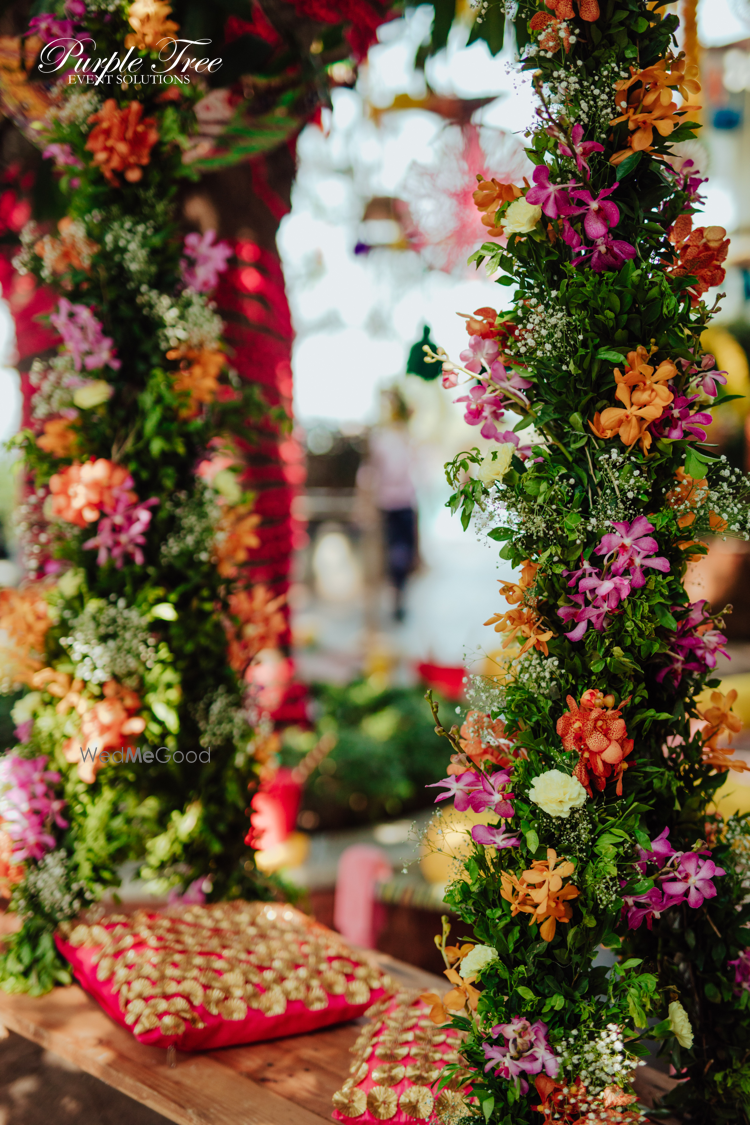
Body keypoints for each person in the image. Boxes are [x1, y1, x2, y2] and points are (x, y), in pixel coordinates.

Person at [367, 388, 418, 621]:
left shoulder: (403, 437)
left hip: (402, 503)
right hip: (390, 504)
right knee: (393, 554)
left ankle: (398, 596)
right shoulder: (385, 439)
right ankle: (394, 597)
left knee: (400, 554)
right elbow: (374, 472)